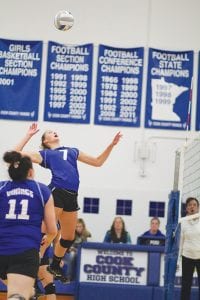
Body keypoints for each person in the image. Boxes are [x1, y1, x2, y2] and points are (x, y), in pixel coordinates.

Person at [14, 123, 122, 281]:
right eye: (50, 133)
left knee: (68, 237)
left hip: (72, 196)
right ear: (45, 141)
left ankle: (55, 265)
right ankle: (30, 266)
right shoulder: (45, 154)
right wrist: (28, 135)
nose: (54, 132)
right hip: (57, 191)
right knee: (47, 232)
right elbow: (15, 154)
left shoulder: (73, 151)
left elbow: (98, 162)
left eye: (54, 131)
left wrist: (111, 145)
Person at [0, 151, 57, 300]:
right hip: (24, 251)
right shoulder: (41, 190)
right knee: (17, 295)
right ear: (31, 172)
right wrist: (41, 250)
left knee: (23, 292)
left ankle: (29, 294)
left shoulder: (1, 187)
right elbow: (52, 229)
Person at [178, 197, 200, 300]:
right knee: (186, 286)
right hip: (187, 256)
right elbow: (181, 242)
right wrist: (178, 259)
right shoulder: (182, 222)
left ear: (198, 207)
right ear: (186, 208)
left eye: (194, 205)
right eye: (190, 205)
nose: (192, 206)